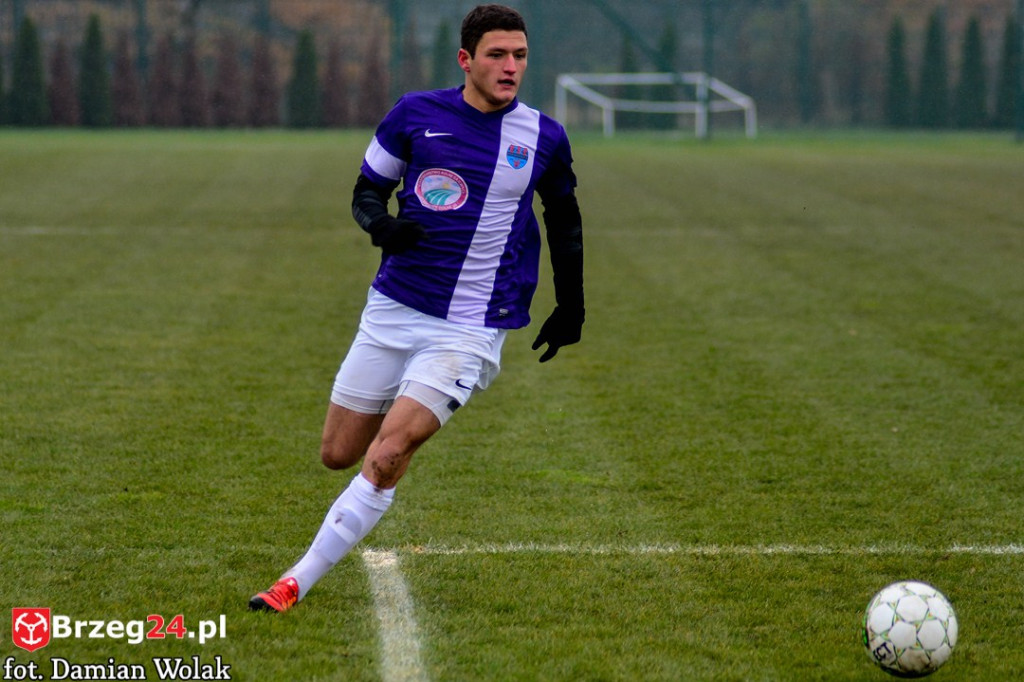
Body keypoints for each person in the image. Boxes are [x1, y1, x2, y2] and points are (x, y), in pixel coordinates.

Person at [249, 3, 584, 613]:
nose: (512, 67)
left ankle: (293, 581)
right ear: (466, 60)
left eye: (521, 56)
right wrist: (382, 226)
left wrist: (573, 304)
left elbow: (563, 218)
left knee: (387, 453)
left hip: (469, 328)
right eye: (498, 55)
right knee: (338, 453)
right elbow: (367, 191)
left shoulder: (543, 136)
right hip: (393, 310)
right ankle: (395, 437)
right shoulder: (415, 115)